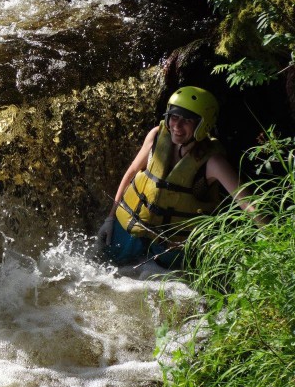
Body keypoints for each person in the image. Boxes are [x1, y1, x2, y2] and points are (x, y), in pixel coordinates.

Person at [97, 86, 255, 269]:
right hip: (131, 231)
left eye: (187, 120)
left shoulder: (212, 163)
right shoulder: (156, 136)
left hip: (170, 248)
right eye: (174, 117)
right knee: (104, 266)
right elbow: (131, 172)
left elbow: (250, 206)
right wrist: (109, 219)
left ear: (203, 124)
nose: (177, 126)